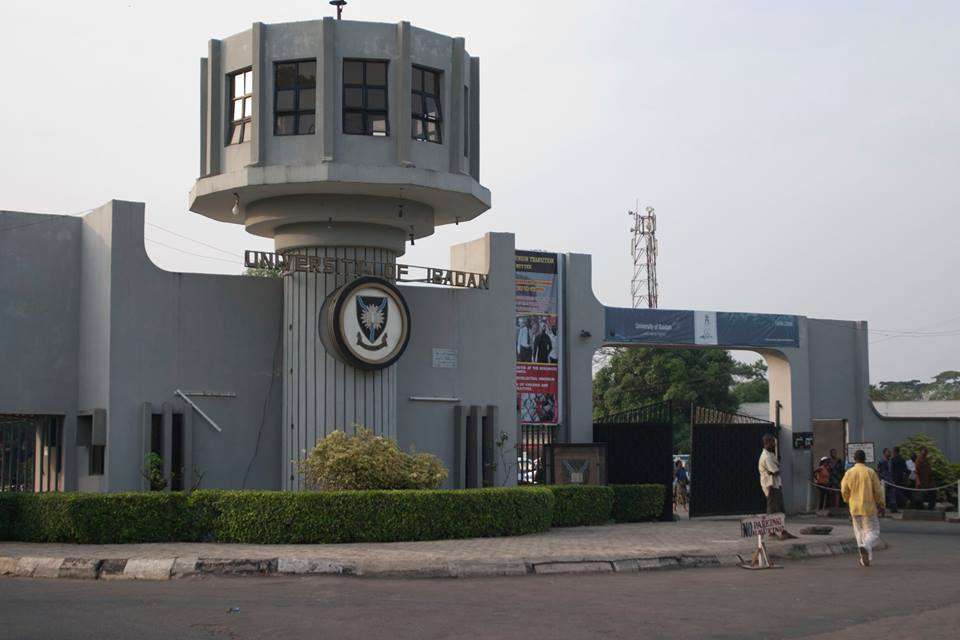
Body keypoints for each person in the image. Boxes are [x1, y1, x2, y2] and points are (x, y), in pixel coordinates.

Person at [841, 449, 885, 567]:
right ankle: (866, 548)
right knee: (873, 532)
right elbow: (877, 490)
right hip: (868, 508)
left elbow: (844, 490)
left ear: (854, 459)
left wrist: (847, 500)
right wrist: (881, 504)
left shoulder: (849, 473)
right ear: (865, 459)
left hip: (854, 508)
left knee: (860, 533)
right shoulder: (870, 472)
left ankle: (865, 559)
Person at [758, 434, 797, 540]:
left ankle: (778, 531)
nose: (774, 444)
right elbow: (775, 471)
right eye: (772, 442)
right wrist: (777, 468)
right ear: (768, 443)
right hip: (771, 486)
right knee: (774, 510)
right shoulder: (767, 457)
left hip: (774, 484)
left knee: (777, 509)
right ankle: (776, 532)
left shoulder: (770, 455)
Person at [876, 448, 897, 514]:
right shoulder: (881, 461)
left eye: (890, 452)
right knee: (882, 496)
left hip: (890, 481)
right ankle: (880, 510)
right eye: (888, 452)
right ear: (884, 453)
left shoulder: (891, 461)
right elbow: (878, 471)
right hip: (883, 481)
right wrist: (879, 480)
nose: (889, 453)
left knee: (892, 495)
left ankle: (893, 509)